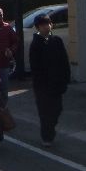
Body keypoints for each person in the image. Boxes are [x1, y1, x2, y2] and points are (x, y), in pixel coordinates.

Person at [29, 13, 71, 146]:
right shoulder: (36, 44)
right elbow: (35, 67)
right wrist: (40, 84)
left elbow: (64, 61)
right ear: (38, 27)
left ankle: (50, 130)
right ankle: (47, 137)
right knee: (45, 112)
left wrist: (66, 79)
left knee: (57, 109)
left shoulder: (57, 41)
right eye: (43, 25)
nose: (46, 27)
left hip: (57, 83)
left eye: (48, 24)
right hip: (42, 85)